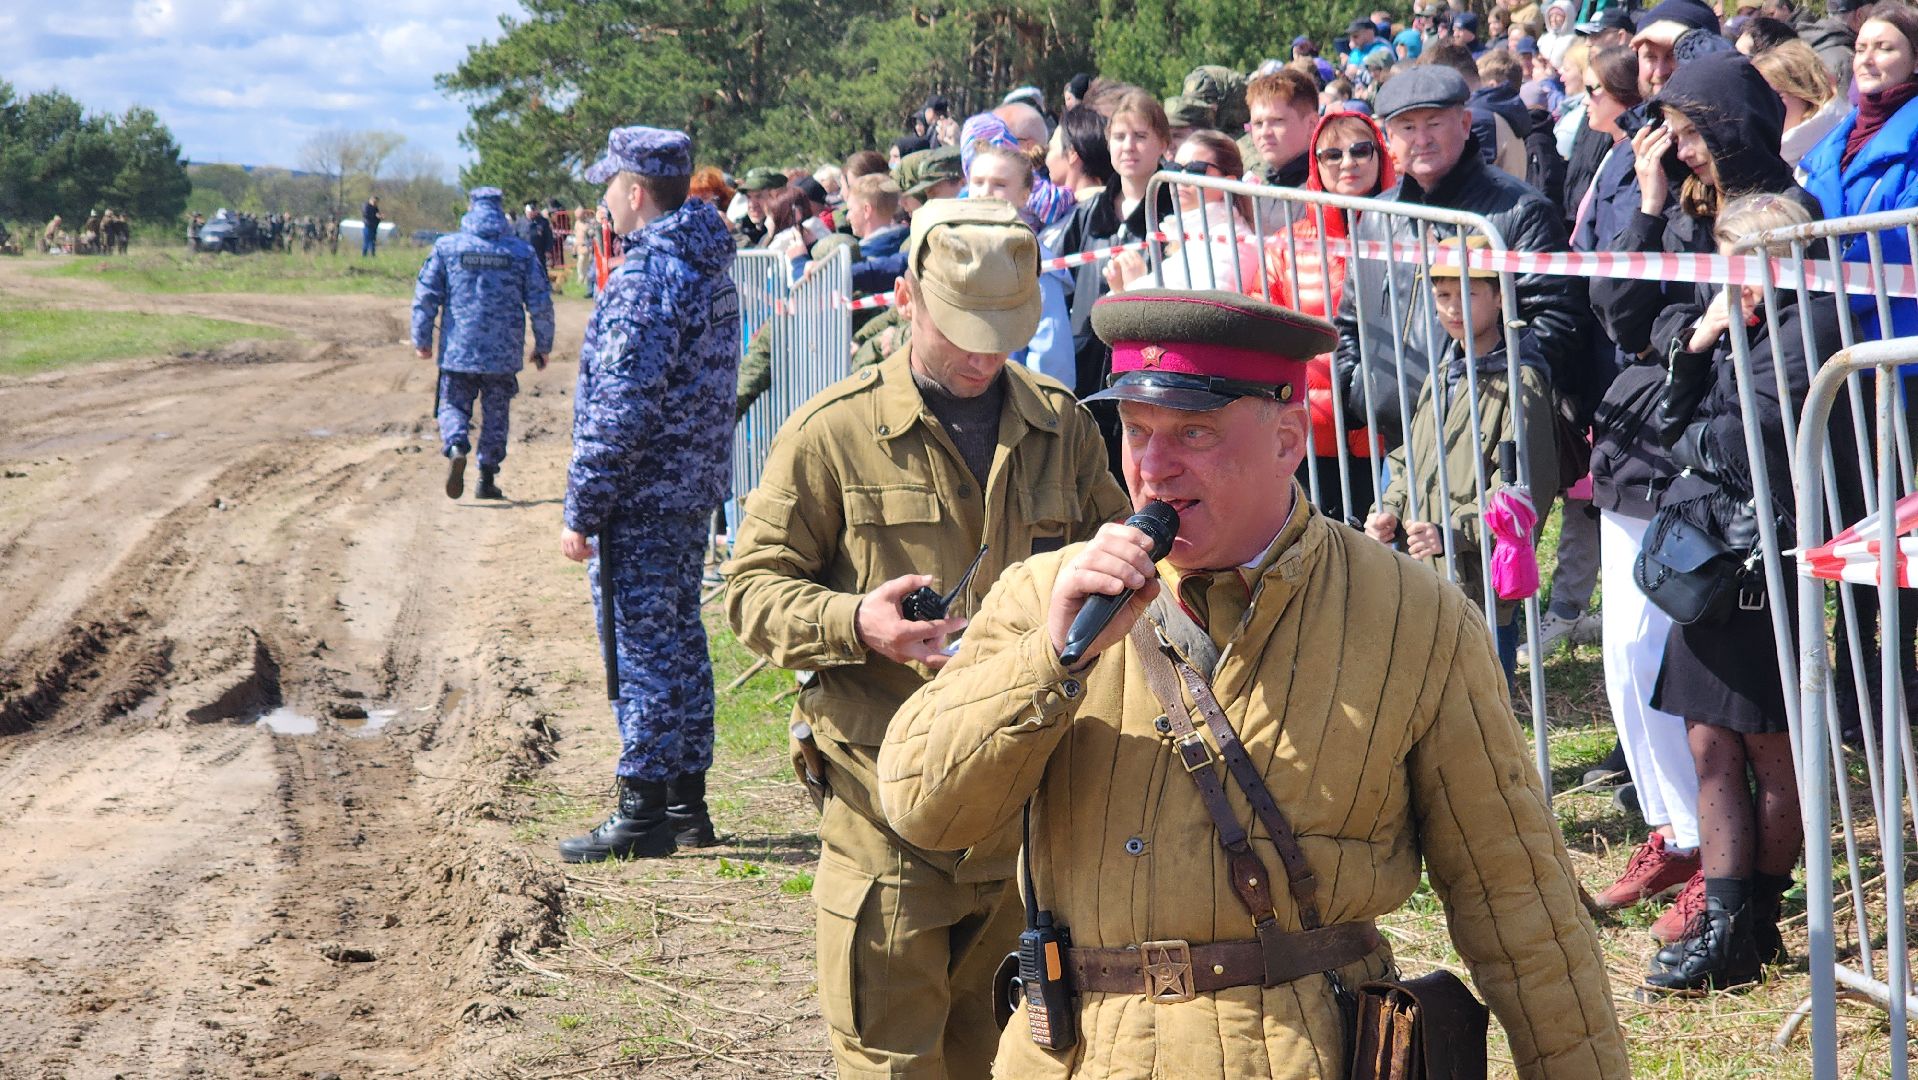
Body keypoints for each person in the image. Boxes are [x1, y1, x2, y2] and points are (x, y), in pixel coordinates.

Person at [875, 287, 1628, 1079]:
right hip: (1079, 1056)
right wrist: (1051, 660)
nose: (1153, 468)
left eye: (1193, 432)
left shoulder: (1415, 616)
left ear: (1288, 440)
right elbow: (924, 809)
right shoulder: (1046, 596)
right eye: (1136, 431)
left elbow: (1519, 903)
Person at [725, 198, 1129, 1080]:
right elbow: (751, 593)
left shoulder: (1061, 428)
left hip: (1023, 816)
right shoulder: (833, 431)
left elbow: (1117, 570)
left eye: (1003, 333)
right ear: (906, 297)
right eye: (961, 332)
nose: (983, 356)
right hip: (885, 810)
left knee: (1015, 1061)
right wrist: (854, 622)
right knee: (892, 1062)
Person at [1588, 50, 1820, 944]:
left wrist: (1690, 353)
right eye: (1673, 135)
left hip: (1752, 517)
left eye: (1691, 133)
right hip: (1691, 483)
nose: (1681, 151)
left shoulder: (1792, 227)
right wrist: (1690, 330)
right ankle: (1713, 882)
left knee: (1755, 733)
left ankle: (1741, 909)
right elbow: (1626, 316)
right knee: (1686, 710)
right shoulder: (1686, 209)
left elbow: (1760, 405)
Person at [1640, 192, 1845, 992]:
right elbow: (1674, 425)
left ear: (1785, 258)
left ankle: (1748, 923)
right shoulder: (1742, 327)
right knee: (1709, 742)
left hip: (1765, 560)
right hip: (1717, 558)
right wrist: (1698, 343)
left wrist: (1691, 435)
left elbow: (1738, 438)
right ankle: (1733, 928)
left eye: (1743, 262)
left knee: (1767, 747)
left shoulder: (1810, 326)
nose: (1730, 280)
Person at [556, 125, 740, 863]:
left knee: (643, 650)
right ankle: (686, 801)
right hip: (688, 489)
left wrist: (583, 506)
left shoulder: (647, 278)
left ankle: (644, 808)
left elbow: (620, 412)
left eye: (610, 185)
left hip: (644, 494)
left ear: (636, 193)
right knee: (679, 639)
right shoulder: (703, 263)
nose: (604, 199)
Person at [1332, 65, 1586, 456]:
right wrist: (1358, 389)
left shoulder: (1520, 211)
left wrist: (1484, 397)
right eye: (1407, 127)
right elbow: (1352, 319)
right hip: (1397, 444)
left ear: (1465, 124)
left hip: (1484, 444)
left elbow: (1557, 323)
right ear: (1388, 137)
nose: (1422, 139)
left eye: (1434, 123)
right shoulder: (1379, 216)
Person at [1364, 237, 1559, 680]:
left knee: (1482, 700)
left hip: (1479, 584)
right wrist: (1388, 511)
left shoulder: (1520, 381)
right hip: (1422, 574)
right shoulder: (1442, 375)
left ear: (1499, 297)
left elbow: (1522, 491)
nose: (1453, 307)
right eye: (1443, 295)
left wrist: (1452, 532)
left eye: (1468, 293)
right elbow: (1408, 460)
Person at [1267, 110, 1394, 525]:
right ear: (1316, 165)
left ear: (1379, 156)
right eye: (1332, 154)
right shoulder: (1285, 246)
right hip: (1311, 431)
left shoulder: (1410, 233)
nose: (1348, 162)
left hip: (1389, 431)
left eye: (1360, 150)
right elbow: (1263, 327)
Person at [410, 186, 555, 501]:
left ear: (471, 208)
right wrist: (543, 345)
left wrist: (421, 339)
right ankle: (486, 477)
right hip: (503, 353)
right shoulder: (520, 252)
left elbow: (426, 296)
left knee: (452, 404)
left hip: (458, 349)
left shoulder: (447, 248)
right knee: (496, 412)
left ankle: (456, 446)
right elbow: (540, 302)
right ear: (500, 211)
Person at [1799, 1, 1918, 340]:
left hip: (1896, 335)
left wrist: (1818, 297)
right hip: (1830, 332)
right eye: (1861, 47)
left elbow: (1900, 245)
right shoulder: (1830, 146)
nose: (1866, 59)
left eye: (1884, 48)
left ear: (1916, 60)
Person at [965, 145, 1076, 387]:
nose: (985, 192)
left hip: (1012, 395)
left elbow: (1051, 357)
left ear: (1024, 196)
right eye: (978, 182)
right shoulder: (953, 247)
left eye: (1000, 185)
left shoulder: (1032, 260)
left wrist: (1042, 403)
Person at [1106, 130, 1260, 294]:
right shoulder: (1193, 237)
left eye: (1195, 169)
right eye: (1175, 168)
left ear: (1228, 183)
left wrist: (1133, 285)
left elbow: (1207, 308)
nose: (1181, 178)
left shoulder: (1230, 243)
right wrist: (1120, 289)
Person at [1754, 38, 1847, 171]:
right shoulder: (1768, 154)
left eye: (1775, 96)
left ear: (1806, 94)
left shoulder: (1842, 147)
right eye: (1755, 98)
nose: (1762, 107)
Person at [1243, 69, 1320, 188]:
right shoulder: (1258, 188)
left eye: (1278, 121)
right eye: (1258, 123)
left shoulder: (1327, 191)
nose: (1264, 132)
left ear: (1312, 124)